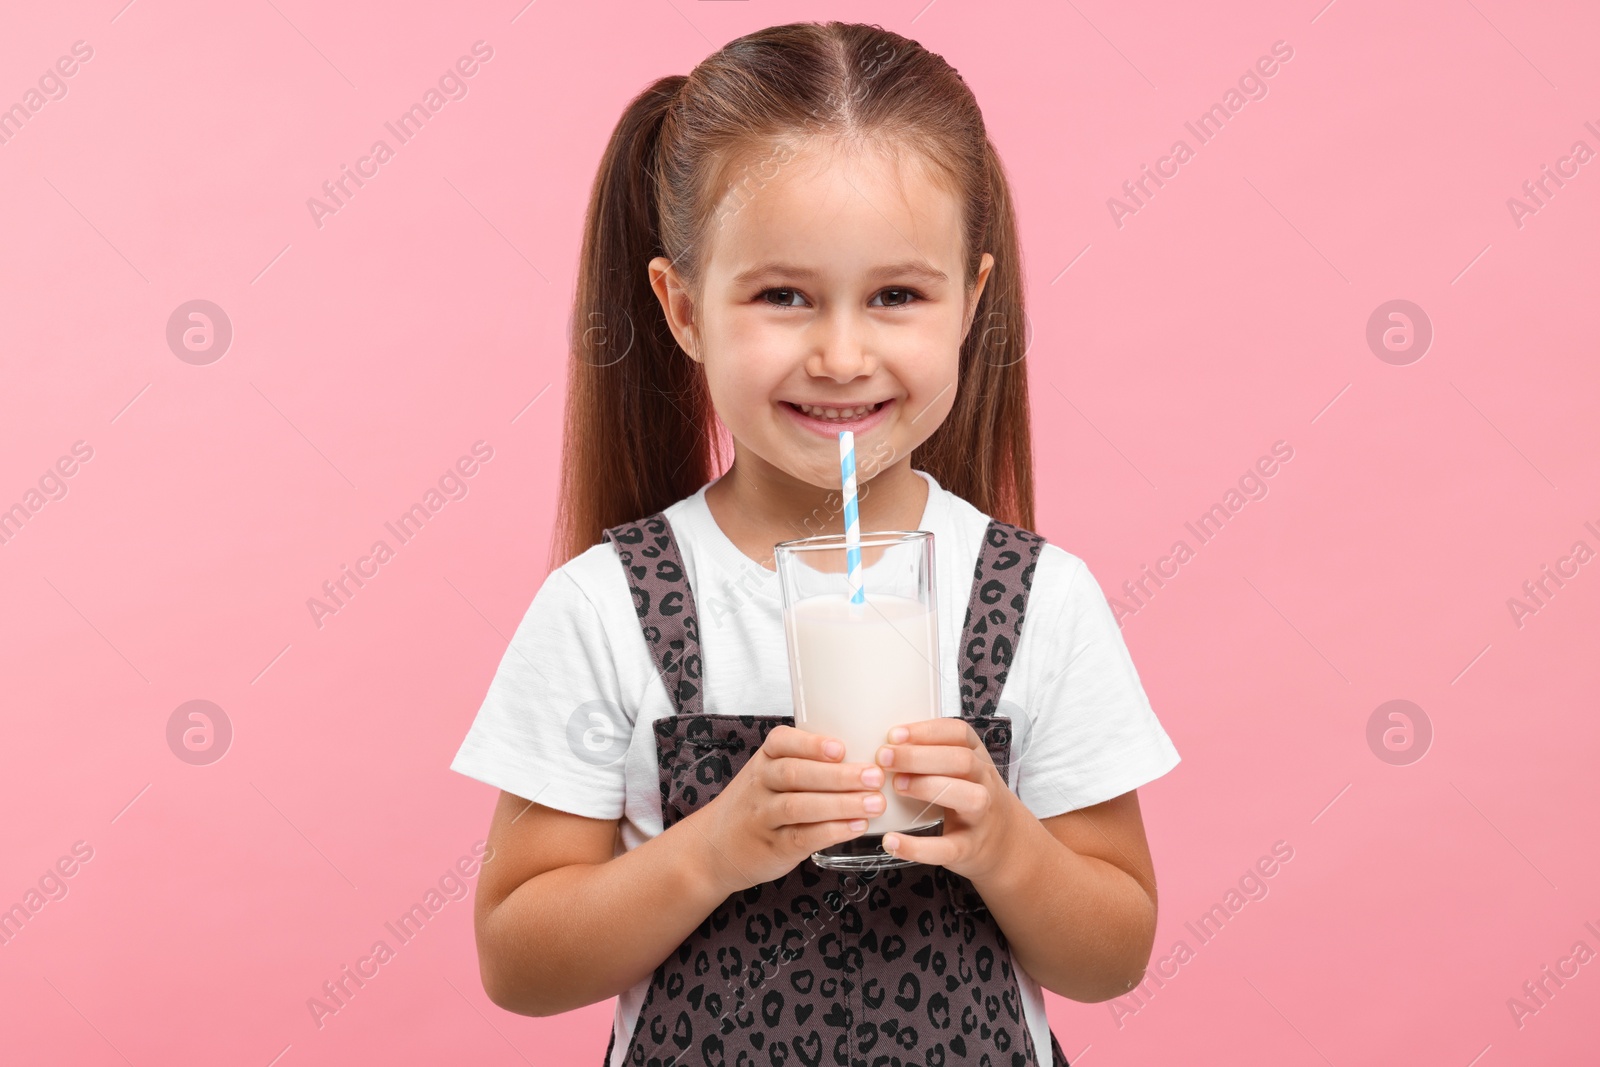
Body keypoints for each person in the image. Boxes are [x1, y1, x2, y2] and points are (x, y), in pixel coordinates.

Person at [449, 20, 1180, 1067]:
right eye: (782, 296)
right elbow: (518, 960)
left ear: (969, 303)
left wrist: (1006, 843)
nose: (841, 354)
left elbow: (1113, 953)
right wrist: (713, 846)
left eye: (896, 295)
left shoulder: (1034, 601)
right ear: (683, 306)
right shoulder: (608, 606)